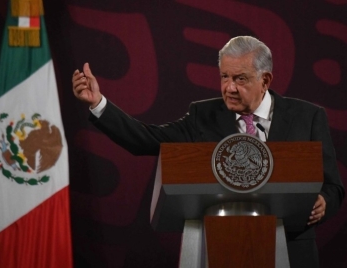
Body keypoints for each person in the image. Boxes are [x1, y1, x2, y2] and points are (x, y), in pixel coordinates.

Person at [72, 35, 345, 267]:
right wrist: (99, 104)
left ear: (265, 80)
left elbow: (333, 185)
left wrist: (324, 202)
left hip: (292, 250)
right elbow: (146, 139)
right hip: (217, 249)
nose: (229, 87)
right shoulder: (202, 116)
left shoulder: (307, 117)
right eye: (224, 76)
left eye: (240, 78)